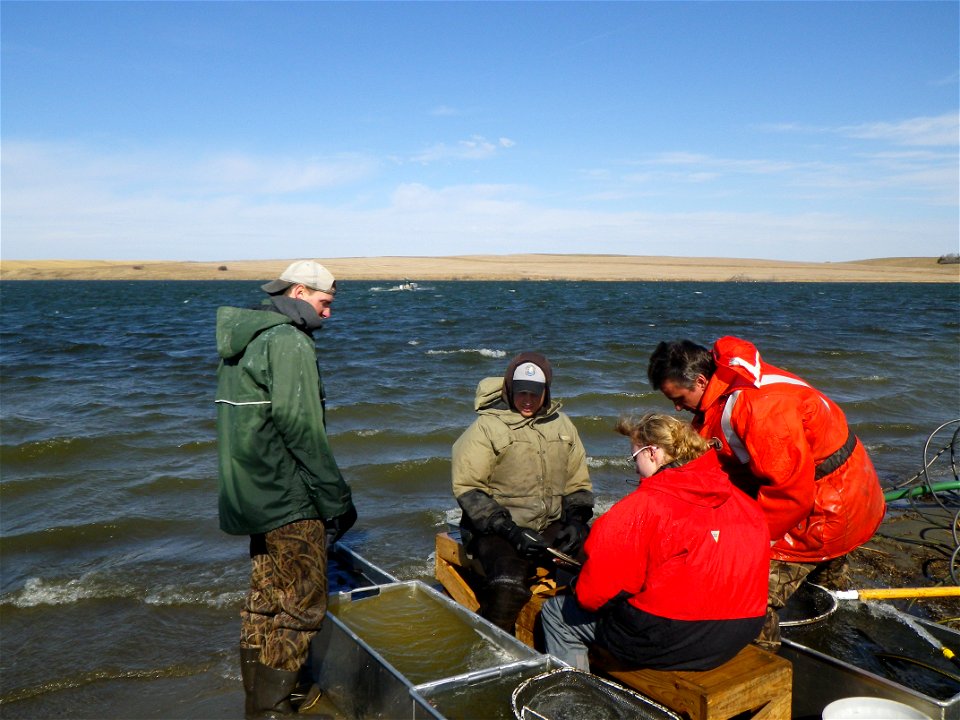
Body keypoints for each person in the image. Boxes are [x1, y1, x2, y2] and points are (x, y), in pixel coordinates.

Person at [647, 336, 886, 649]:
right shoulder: (734, 377)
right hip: (855, 487)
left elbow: (791, 494)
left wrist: (749, 543)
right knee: (825, 581)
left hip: (827, 508)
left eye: (678, 398)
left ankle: (764, 660)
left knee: (751, 592)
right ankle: (829, 629)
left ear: (701, 379)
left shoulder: (760, 409)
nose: (677, 407)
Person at [216, 260, 357, 718]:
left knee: (263, 603)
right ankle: (274, 709)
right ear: (299, 292)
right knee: (301, 607)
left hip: (251, 492)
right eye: (325, 302)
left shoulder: (246, 340)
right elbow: (302, 430)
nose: (329, 314)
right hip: (288, 497)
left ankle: (257, 706)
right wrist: (337, 500)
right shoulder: (289, 342)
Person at [540, 413, 769, 671]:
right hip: (740, 631)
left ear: (653, 453)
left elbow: (592, 597)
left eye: (634, 457)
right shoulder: (743, 502)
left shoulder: (644, 507)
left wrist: (577, 583)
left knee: (556, 614)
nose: (635, 467)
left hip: (671, 636)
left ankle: (573, 699)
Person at [451, 352, 594, 634]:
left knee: (602, 561)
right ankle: (493, 649)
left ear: (546, 392)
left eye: (535, 393)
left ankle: (583, 636)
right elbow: (469, 490)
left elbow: (578, 483)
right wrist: (512, 531)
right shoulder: (486, 427)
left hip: (549, 526)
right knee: (509, 585)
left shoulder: (563, 425)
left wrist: (576, 522)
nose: (527, 399)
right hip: (497, 531)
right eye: (521, 392)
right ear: (509, 389)